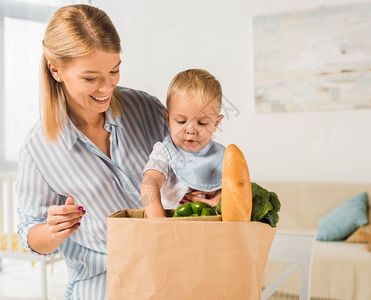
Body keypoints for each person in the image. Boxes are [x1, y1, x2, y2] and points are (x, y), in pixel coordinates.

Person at [15, 4, 171, 299]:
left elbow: (189, 165)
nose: (107, 87)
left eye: (114, 71)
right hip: (102, 287)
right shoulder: (38, 149)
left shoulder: (147, 110)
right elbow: (28, 233)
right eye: (90, 78)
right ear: (55, 70)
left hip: (172, 274)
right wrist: (52, 231)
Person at [141, 69, 225, 218]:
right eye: (181, 121)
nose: (191, 130)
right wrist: (158, 222)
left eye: (202, 122)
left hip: (210, 229)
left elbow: (235, 190)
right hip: (171, 228)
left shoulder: (220, 156)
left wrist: (221, 197)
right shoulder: (165, 152)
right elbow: (150, 183)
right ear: (168, 119)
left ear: (216, 123)